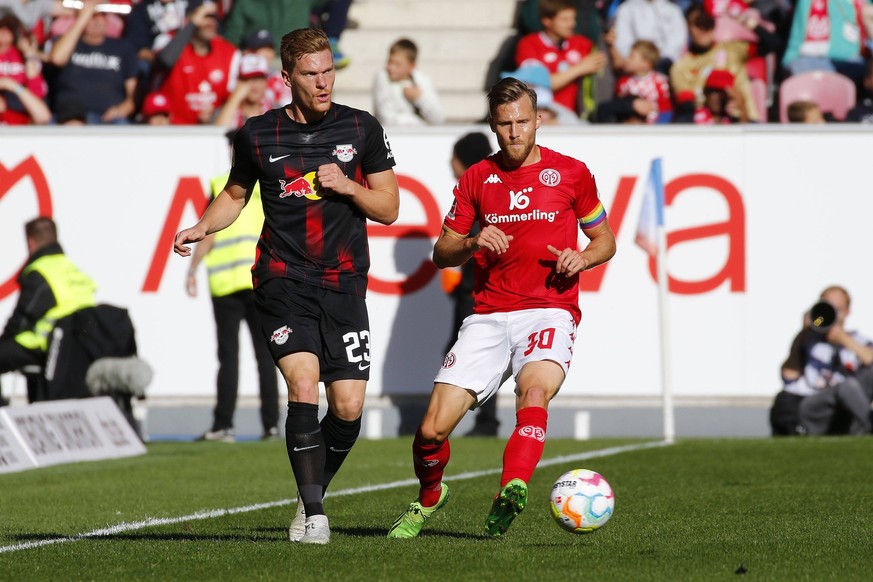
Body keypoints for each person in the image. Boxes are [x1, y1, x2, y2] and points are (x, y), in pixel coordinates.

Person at [173, 27, 399, 544]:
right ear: (287, 77)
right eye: (310, 74)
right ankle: (316, 515)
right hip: (282, 279)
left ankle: (308, 492)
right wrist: (201, 226)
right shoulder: (257, 134)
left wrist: (347, 185)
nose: (323, 83)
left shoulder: (362, 128)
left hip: (344, 283)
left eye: (328, 71)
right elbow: (234, 194)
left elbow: (389, 207)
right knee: (302, 382)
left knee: (346, 408)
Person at [386, 77, 616, 539]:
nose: (515, 132)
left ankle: (512, 487)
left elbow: (604, 240)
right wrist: (471, 242)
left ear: (537, 121)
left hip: (550, 308)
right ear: (493, 124)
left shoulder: (571, 173)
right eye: (505, 124)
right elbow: (442, 252)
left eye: (523, 122)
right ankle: (430, 495)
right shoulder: (477, 178)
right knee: (430, 431)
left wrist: (584, 257)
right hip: (489, 316)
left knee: (534, 393)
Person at [185, 131, 279, 443]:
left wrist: (193, 270)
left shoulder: (220, 184)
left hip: (229, 283)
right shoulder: (269, 179)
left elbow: (207, 232)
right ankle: (271, 426)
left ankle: (223, 425)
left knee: (230, 356)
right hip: (256, 280)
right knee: (264, 356)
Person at [441, 131, 501, 437]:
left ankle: (480, 421)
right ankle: (482, 420)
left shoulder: (478, 189)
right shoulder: (485, 186)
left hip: (476, 291)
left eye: (454, 157)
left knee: (464, 355)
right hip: (474, 288)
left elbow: (469, 243)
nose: (450, 163)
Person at [0, 217, 97, 405]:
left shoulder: (40, 272)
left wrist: (4, 341)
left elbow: (22, 318)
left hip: (46, 345)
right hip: (78, 348)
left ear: (30, 241)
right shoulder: (74, 270)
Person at [770, 286, 873, 436]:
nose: (833, 313)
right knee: (845, 386)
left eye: (838, 309)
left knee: (848, 386)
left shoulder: (856, 340)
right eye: (827, 306)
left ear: (847, 312)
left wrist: (843, 338)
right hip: (814, 405)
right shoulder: (809, 339)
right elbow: (788, 376)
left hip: (846, 408)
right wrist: (808, 328)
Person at [45, 0, 139, 124]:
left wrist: (123, 108)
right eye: (93, 16)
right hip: (71, 117)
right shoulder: (68, 43)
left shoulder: (123, 48)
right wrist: (82, 18)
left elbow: (132, 95)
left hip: (111, 120)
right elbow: (57, 59)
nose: (98, 21)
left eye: (103, 15)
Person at [152, 0, 239, 125]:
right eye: (205, 17)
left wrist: (215, 114)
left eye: (214, 18)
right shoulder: (168, 41)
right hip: (172, 130)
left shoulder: (229, 53)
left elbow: (233, 101)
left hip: (212, 132)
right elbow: (165, 61)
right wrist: (192, 23)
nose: (211, 23)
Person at [514, 0, 606, 116]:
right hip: (543, 113)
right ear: (547, 21)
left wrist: (610, 45)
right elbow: (539, 83)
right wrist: (580, 68)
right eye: (565, 19)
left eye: (573, 18)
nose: (571, 24)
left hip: (576, 117)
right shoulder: (529, 44)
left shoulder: (583, 44)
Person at [669, 6, 759, 122]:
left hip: (743, 120)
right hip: (703, 125)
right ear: (687, 28)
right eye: (696, 24)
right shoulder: (680, 67)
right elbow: (687, 108)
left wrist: (748, 21)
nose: (702, 29)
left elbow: (773, 45)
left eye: (706, 23)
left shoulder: (733, 49)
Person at [595, 39, 671, 124]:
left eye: (632, 56)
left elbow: (666, 110)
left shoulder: (659, 81)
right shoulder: (623, 82)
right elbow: (618, 106)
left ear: (646, 64)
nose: (627, 59)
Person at [373, 37, 444, 126]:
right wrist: (421, 124)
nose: (391, 67)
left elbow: (437, 119)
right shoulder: (383, 77)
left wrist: (419, 98)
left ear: (412, 66)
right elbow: (386, 118)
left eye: (397, 64)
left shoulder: (422, 80)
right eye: (389, 62)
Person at [0, 11, 50, 125]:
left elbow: (37, 94)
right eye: (1, 27)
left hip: (18, 113)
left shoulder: (23, 57)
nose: (3, 32)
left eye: (9, 29)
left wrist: (10, 84)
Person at [214, 52, 272, 127]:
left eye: (260, 79)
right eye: (250, 79)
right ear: (238, 81)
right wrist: (236, 97)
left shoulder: (276, 109)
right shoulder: (224, 112)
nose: (256, 86)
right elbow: (219, 133)